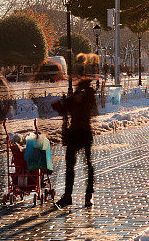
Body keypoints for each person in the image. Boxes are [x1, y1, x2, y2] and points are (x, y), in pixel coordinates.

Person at [54, 78, 98, 209]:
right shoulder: (74, 96)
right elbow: (64, 110)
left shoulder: (89, 95)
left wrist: (83, 96)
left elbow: (93, 110)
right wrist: (58, 105)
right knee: (69, 166)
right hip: (74, 134)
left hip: (84, 132)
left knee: (88, 164)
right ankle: (68, 196)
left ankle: (88, 196)